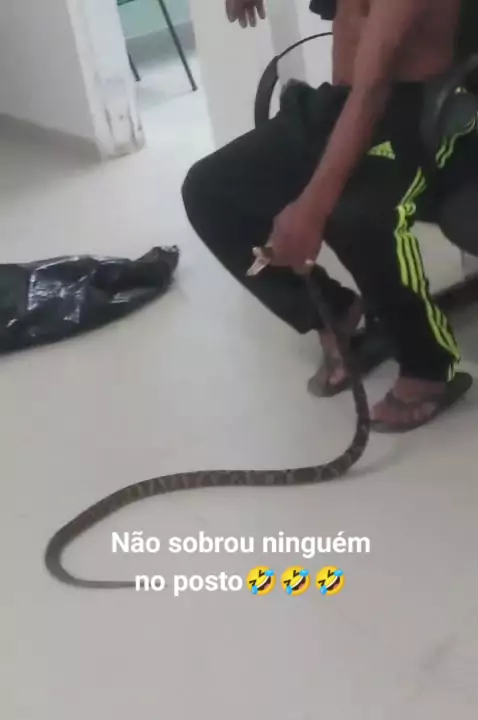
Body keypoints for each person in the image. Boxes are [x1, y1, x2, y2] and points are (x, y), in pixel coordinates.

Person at [182, 0, 475, 432]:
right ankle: (332, 313)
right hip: (337, 101)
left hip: (411, 108)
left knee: (352, 213)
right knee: (209, 190)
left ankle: (428, 367)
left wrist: (311, 208)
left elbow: (373, 90)